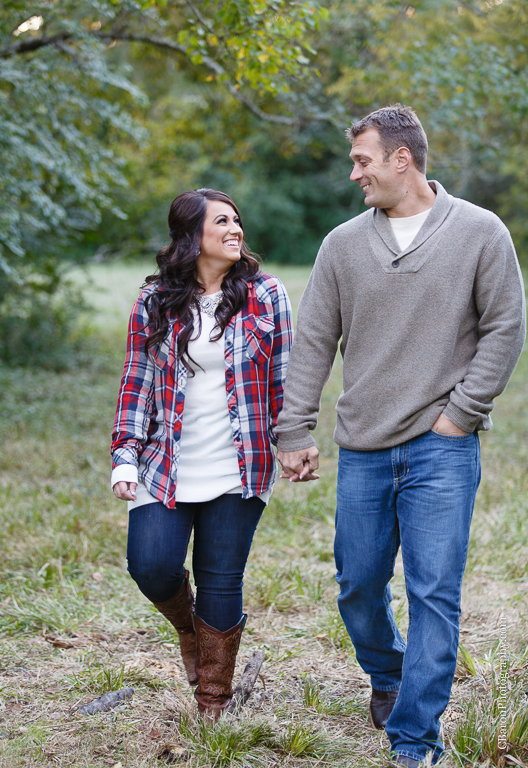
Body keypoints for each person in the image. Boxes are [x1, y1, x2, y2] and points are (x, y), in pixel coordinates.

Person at [276, 106, 526, 766]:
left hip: (441, 448)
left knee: (433, 592)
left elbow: (505, 327)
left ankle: (414, 740)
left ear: (401, 159)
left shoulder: (479, 233)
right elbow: (313, 346)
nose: (353, 172)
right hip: (362, 447)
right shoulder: (342, 245)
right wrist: (294, 429)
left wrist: (460, 415)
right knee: (358, 587)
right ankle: (390, 673)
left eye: (362, 159)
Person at [111, 188, 293, 719]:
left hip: (241, 463)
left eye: (238, 220)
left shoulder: (266, 294)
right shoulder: (154, 301)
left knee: (221, 577)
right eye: (222, 221)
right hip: (163, 461)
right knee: (151, 565)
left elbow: (284, 377)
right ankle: (193, 632)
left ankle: (212, 700)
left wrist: (293, 442)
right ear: (192, 236)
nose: (235, 229)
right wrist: (125, 453)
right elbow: (136, 382)